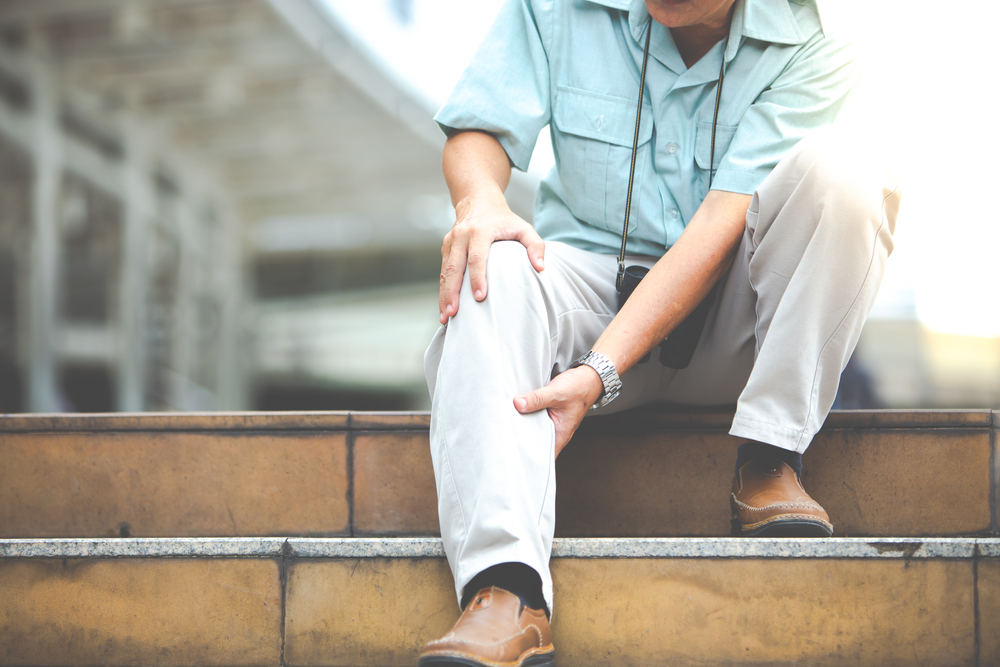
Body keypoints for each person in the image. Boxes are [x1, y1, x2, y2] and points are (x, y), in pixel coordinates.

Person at [418, 0, 901, 665]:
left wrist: (599, 373)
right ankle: (505, 591)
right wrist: (482, 202)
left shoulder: (823, 37)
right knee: (489, 258)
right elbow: (479, 128)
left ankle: (769, 457)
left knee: (850, 176)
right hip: (587, 297)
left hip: (737, 323)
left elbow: (714, 229)